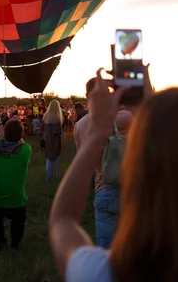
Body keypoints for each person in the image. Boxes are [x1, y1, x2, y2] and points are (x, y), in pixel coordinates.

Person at [49, 70, 178, 281]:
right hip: (127, 194)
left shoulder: (101, 272)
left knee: (106, 243)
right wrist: (148, 104)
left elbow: (62, 220)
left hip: (104, 190)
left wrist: (96, 134)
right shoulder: (129, 118)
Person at [73, 77, 134, 248]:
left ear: (87, 95)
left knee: (106, 250)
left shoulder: (80, 126)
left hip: (103, 187)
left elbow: (83, 162)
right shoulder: (124, 117)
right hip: (131, 187)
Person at [0, 119, 31, 251]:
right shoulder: (25, 150)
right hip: (16, 198)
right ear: (21, 135)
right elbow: (21, 142)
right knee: (18, 220)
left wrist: (2, 124)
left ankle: (0, 243)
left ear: (5, 133)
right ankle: (15, 244)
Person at [41, 100, 64, 182]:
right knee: (56, 158)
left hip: (47, 140)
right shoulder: (57, 118)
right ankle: (54, 175)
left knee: (49, 159)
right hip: (55, 141)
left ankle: (50, 176)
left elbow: (42, 129)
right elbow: (59, 132)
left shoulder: (45, 116)